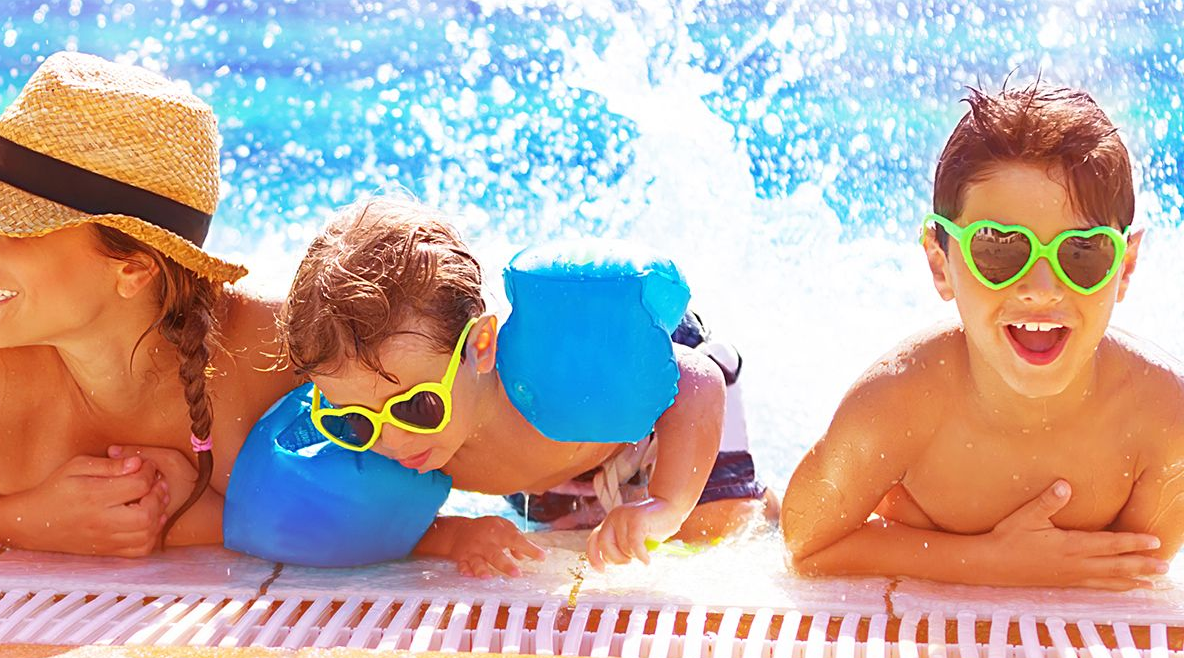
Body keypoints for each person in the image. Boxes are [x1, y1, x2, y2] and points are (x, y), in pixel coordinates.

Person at [0, 52, 299, 557]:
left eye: (16, 228)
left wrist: (207, 521)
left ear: (132, 269)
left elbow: (403, 517)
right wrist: (22, 521)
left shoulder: (284, 357)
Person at [782, 84, 1184, 590]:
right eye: (999, 249)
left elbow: (1132, 581)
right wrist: (987, 562)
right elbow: (803, 542)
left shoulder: (1165, 422)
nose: (1041, 289)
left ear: (1124, 267)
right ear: (940, 262)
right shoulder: (900, 404)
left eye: (1082, 253)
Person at [279, 196, 765, 576]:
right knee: (579, 551)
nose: (392, 440)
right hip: (557, 474)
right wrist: (455, 537)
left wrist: (665, 506)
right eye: (351, 420)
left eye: (417, 407)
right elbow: (369, 522)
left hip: (655, 412)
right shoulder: (396, 432)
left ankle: (763, 500)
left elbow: (698, 386)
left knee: (721, 537)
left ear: (481, 347)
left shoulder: (554, 375)